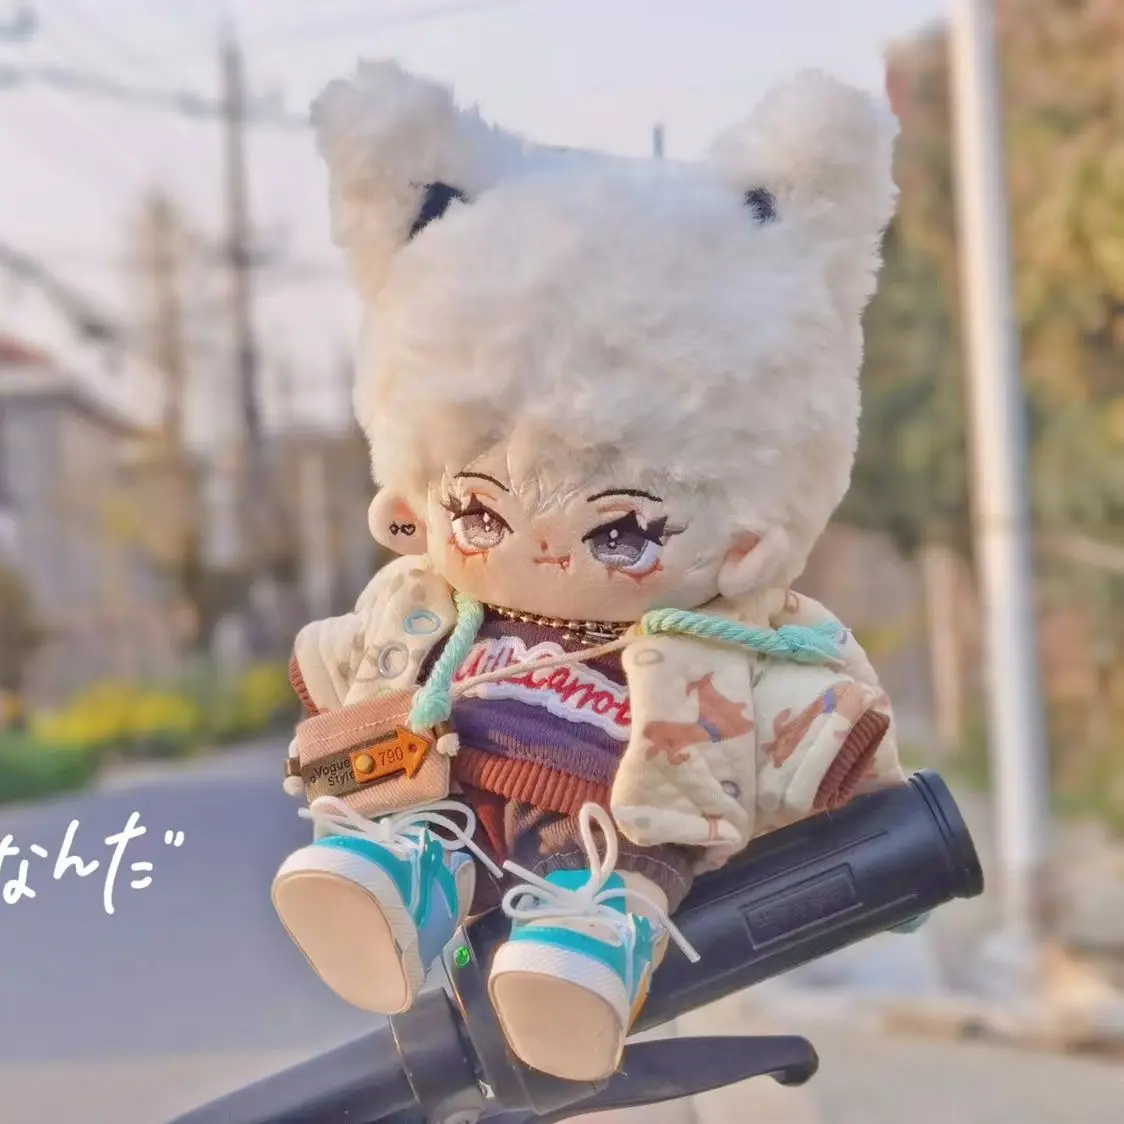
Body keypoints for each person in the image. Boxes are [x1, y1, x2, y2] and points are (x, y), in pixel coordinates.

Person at [272, 60, 906, 1084]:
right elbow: (350, 660)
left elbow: (815, 712)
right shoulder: (430, 605)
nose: (548, 551)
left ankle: (584, 955)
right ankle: (392, 884)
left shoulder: (730, 633)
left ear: (743, 535)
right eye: (479, 512)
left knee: (611, 887)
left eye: (625, 534)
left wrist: (862, 788)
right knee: (405, 816)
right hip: (442, 797)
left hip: (617, 835)